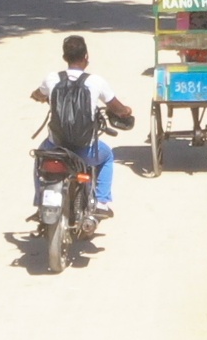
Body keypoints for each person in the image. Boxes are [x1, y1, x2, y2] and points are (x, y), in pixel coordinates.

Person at [28, 34, 135, 221]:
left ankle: (40, 203)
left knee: (39, 160)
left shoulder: (52, 78)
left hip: (56, 146)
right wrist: (126, 111)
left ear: (64, 58)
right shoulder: (95, 81)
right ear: (86, 56)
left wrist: (39, 96)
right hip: (85, 148)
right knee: (107, 156)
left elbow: (38, 94)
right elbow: (117, 108)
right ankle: (101, 202)